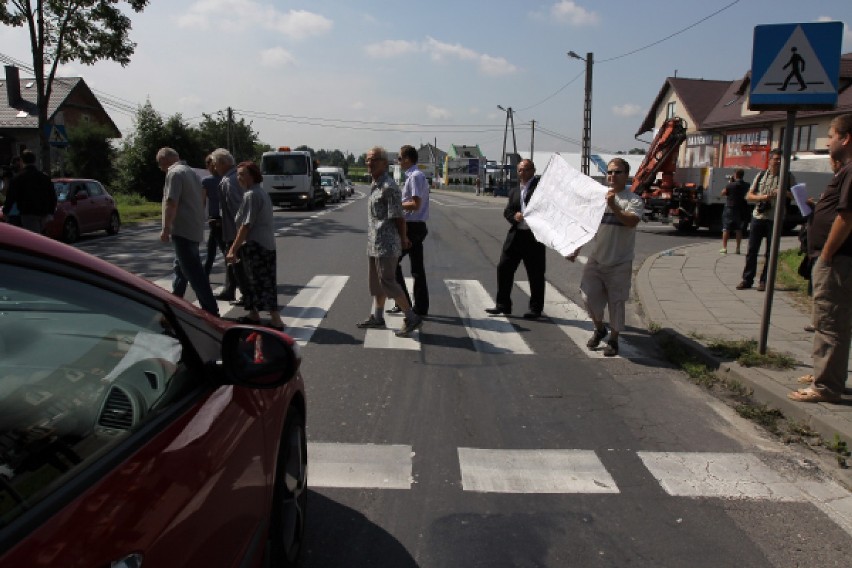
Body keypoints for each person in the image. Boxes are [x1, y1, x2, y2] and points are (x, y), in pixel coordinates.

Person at [789, 114, 852, 403]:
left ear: (846, 138)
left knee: (831, 322)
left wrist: (827, 254)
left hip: (837, 259)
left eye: (831, 135)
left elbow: (846, 216)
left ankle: (826, 387)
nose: (828, 142)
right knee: (826, 320)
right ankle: (823, 374)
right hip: (834, 258)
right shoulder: (845, 170)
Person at [568, 158, 644, 357]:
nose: (612, 176)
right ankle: (599, 327)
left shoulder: (633, 200)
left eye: (617, 172)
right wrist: (575, 248)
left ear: (626, 175)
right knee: (588, 296)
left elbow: (631, 222)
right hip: (596, 259)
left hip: (620, 261)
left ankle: (614, 339)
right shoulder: (598, 199)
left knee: (616, 302)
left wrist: (614, 206)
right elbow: (588, 227)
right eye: (609, 172)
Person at [356, 146, 423, 337]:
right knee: (377, 283)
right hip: (374, 241)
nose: (370, 163)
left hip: (387, 243)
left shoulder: (389, 187)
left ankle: (411, 316)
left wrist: (403, 238)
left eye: (374, 159)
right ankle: (378, 317)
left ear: (385, 163)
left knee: (388, 281)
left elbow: (399, 217)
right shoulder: (375, 183)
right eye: (368, 159)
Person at [156, 147, 218, 316]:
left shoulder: (174, 173)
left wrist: (166, 228)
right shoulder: (191, 172)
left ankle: (211, 310)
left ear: (164, 161)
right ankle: (175, 304)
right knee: (181, 268)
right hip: (194, 227)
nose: (160, 168)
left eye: (159, 164)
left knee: (194, 273)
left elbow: (171, 201)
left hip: (182, 229)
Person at [226, 161, 284, 330]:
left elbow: (246, 225)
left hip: (256, 245)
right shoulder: (260, 192)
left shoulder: (251, 195)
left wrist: (232, 249)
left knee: (260, 282)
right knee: (254, 281)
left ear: (252, 176)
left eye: (242, 174)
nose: (239, 178)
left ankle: (275, 319)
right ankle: (254, 314)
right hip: (265, 244)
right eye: (238, 174)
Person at [485, 159, 545, 319]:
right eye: (520, 170)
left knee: (535, 273)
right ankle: (503, 305)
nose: (522, 173)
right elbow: (508, 211)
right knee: (504, 267)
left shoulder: (541, 188)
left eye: (526, 170)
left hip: (534, 237)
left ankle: (536, 309)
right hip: (516, 235)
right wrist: (514, 216)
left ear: (533, 170)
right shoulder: (514, 191)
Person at [736, 148, 793, 292]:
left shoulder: (787, 177)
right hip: (758, 217)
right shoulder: (761, 175)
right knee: (752, 250)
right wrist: (763, 197)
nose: (778, 162)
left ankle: (764, 281)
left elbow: (794, 196)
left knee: (771, 252)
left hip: (775, 218)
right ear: (770, 160)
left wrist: (783, 193)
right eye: (776, 159)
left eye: (781, 160)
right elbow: (749, 196)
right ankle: (747, 279)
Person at [387, 145, 429, 317]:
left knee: (391, 263)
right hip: (415, 226)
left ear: (407, 159)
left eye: (399, 158)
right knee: (417, 269)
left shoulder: (415, 176)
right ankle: (419, 307)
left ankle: (403, 301)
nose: (398, 161)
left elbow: (415, 204)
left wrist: (395, 204)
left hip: (412, 227)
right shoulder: (413, 176)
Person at [212, 148, 249, 303]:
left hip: (234, 231)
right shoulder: (235, 177)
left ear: (222, 163)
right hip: (234, 229)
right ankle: (229, 290)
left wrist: (238, 235)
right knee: (232, 262)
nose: (214, 168)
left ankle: (248, 297)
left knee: (237, 264)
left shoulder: (229, 180)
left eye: (215, 164)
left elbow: (236, 208)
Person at [2, 150, 56, 234]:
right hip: (43, 213)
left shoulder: (18, 178)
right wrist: (51, 212)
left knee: (33, 237)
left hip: (28, 213)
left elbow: (11, 197)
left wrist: (6, 211)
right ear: (34, 160)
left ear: (22, 161)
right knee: (42, 237)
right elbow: (52, 195)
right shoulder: (44, 177)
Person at [202, 154, 225, 275]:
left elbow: (202, 201)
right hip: (224, 217)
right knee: (211, 248)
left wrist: (200, 217)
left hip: (214, 217)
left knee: (221, 249)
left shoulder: (206, 181)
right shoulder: (226, 178)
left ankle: (235, 275)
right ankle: (205, 274)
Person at [720, 169, 749, 254]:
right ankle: (738, 248)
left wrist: (730, 182)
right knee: (738, 229)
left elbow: (723, 193)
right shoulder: (747, 185)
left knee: (726, 228)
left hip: (730, 208)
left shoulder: (730, 185)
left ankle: (724, 248)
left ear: (735, 174)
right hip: (741, 208)